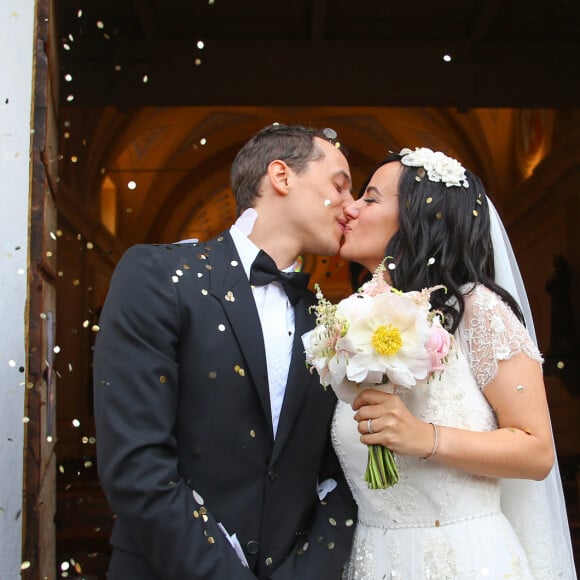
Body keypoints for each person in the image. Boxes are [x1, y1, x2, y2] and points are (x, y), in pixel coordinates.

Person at [93, 123, 358, 580]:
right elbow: (135, 464)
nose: (351, 207)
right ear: (281, 176)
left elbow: (343, 473)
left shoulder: (333, 322)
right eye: (339, 184)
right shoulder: (157, 276)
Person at [334, 147, 577, 579]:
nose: (349, 208)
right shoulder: (348, 322)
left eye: (370, 199)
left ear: (418, 218)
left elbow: (537, 451)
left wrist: (424, 436)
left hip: (467, 560)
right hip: (376, 559)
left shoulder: (477, 311)